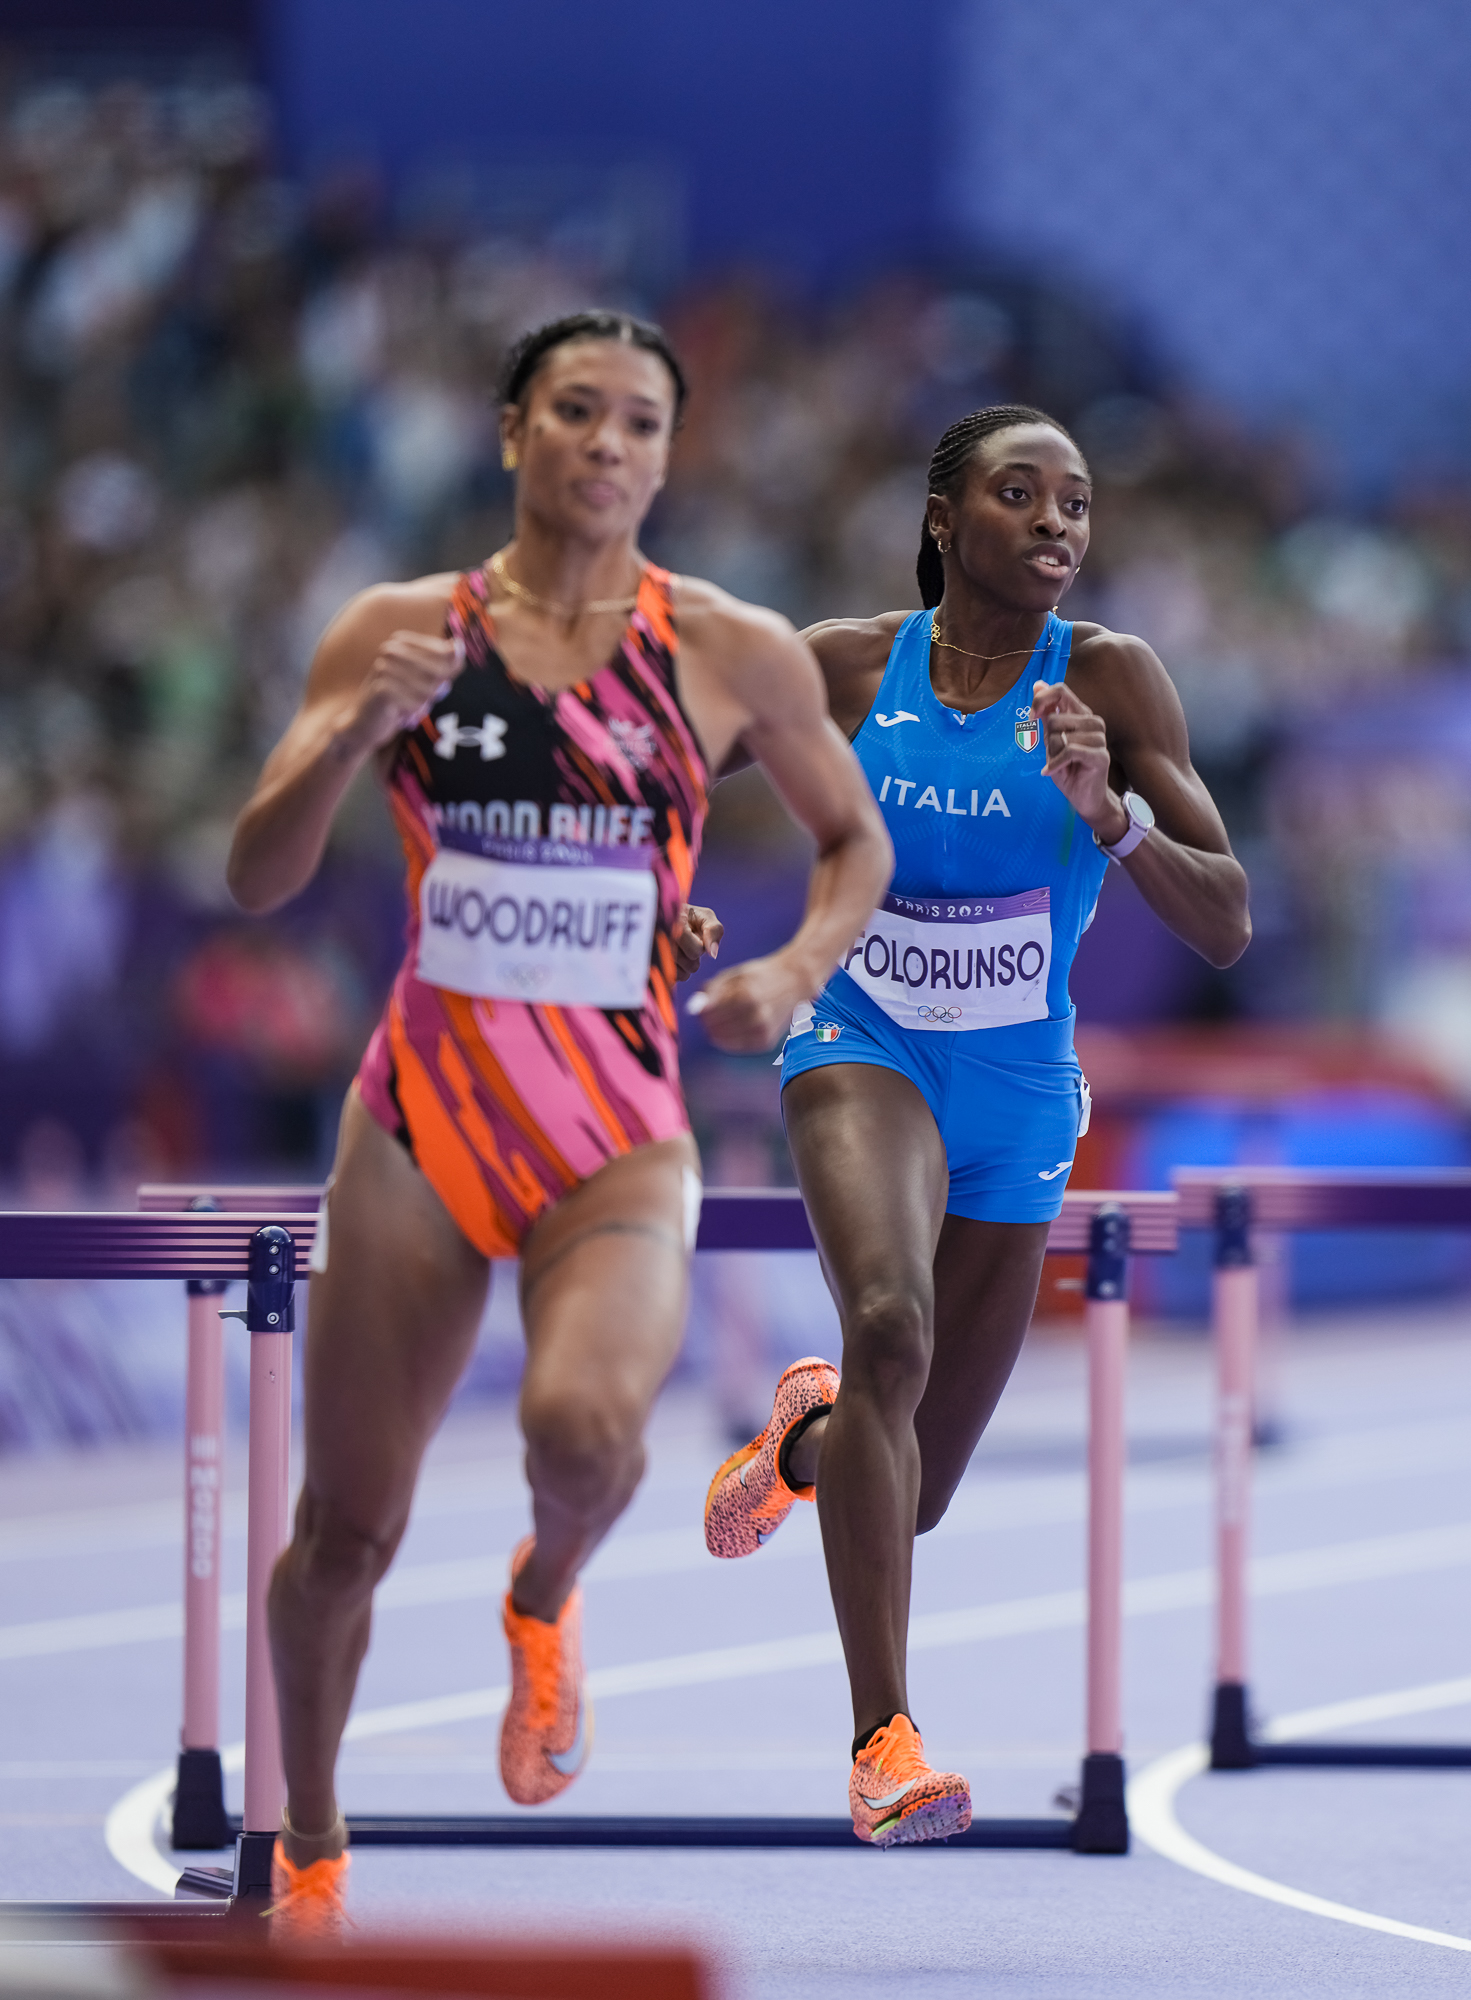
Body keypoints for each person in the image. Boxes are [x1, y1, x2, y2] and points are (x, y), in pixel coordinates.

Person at [226, 310, 891, 1931]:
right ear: (512, 431)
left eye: (640, 422)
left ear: (669, 455)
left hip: (615, 1133)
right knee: (343, 1533)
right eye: (576, 411)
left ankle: (544, 1595)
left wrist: (797, 969)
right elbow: (256, 875)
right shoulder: (401, 631)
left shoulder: (727, 649)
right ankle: (310, 1846)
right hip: (419, 1126)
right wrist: (348, 735)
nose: (607, 443)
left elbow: (854, 841)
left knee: (585, 1433)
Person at [697, 402, 1251, 1845]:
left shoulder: (1113, 679)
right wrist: (649, 893)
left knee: (912, 1488)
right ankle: (884, 1745)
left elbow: (1228, 919)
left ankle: (806, 1443)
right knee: (890, 1325)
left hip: (1018, 1089)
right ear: (944, 518)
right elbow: (662, 771)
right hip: (862, 1038)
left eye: (1078, 501)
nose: (1058, 520)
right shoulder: (842, 665)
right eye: (1022, 493)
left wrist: (1112, 814)